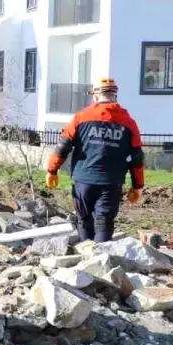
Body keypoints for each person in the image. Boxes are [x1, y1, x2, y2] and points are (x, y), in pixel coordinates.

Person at [46, 78, 144, 243]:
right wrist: (138, 186)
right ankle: (101, 261)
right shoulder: (129, 123)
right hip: (111, 182)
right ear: (115, 96)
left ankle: (86, 258)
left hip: (83, 180)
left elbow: (63, 146)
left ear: (95, 96)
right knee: (104, 222)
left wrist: (52, 170)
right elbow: (137, 158)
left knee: (83, 219)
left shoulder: (81, 117)